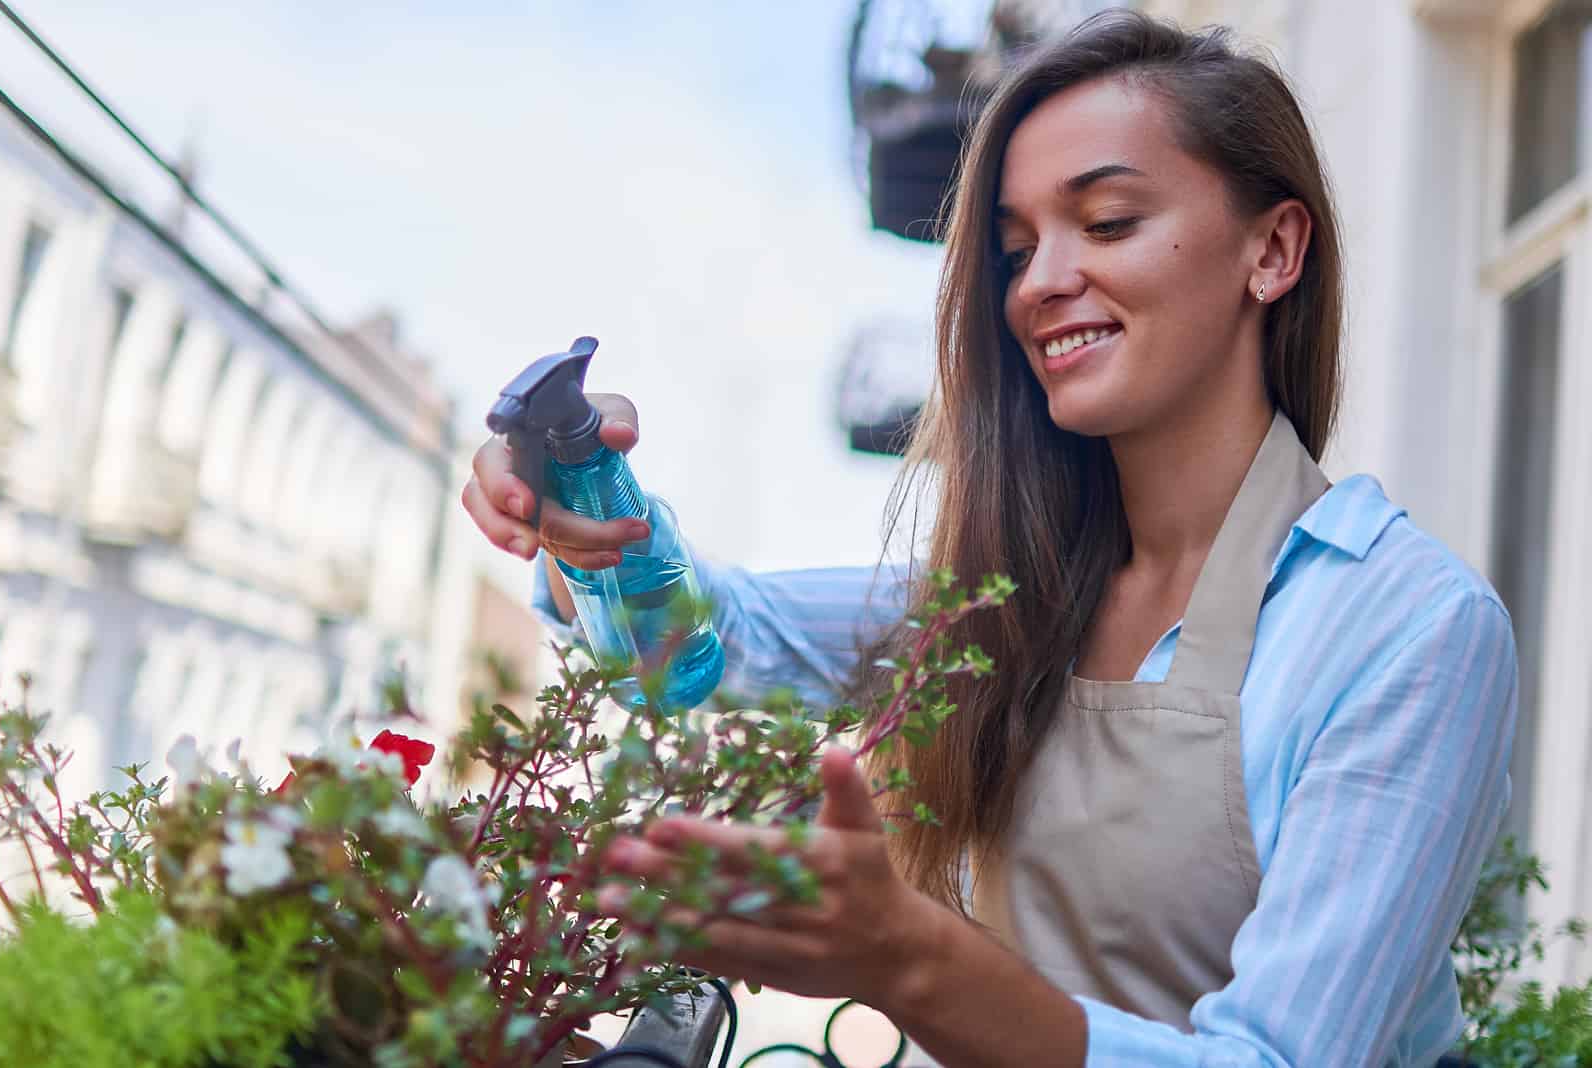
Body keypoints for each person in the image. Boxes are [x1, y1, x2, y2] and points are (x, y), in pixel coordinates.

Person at [462, 12, 1517, 1067]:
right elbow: (709, 645)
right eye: (1015, 249)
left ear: (1273, 250)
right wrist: (588, 509)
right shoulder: (1003, 597)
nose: (1038, 283)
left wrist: (912, 958)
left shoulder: (1409, 631)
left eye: (1105, 222)